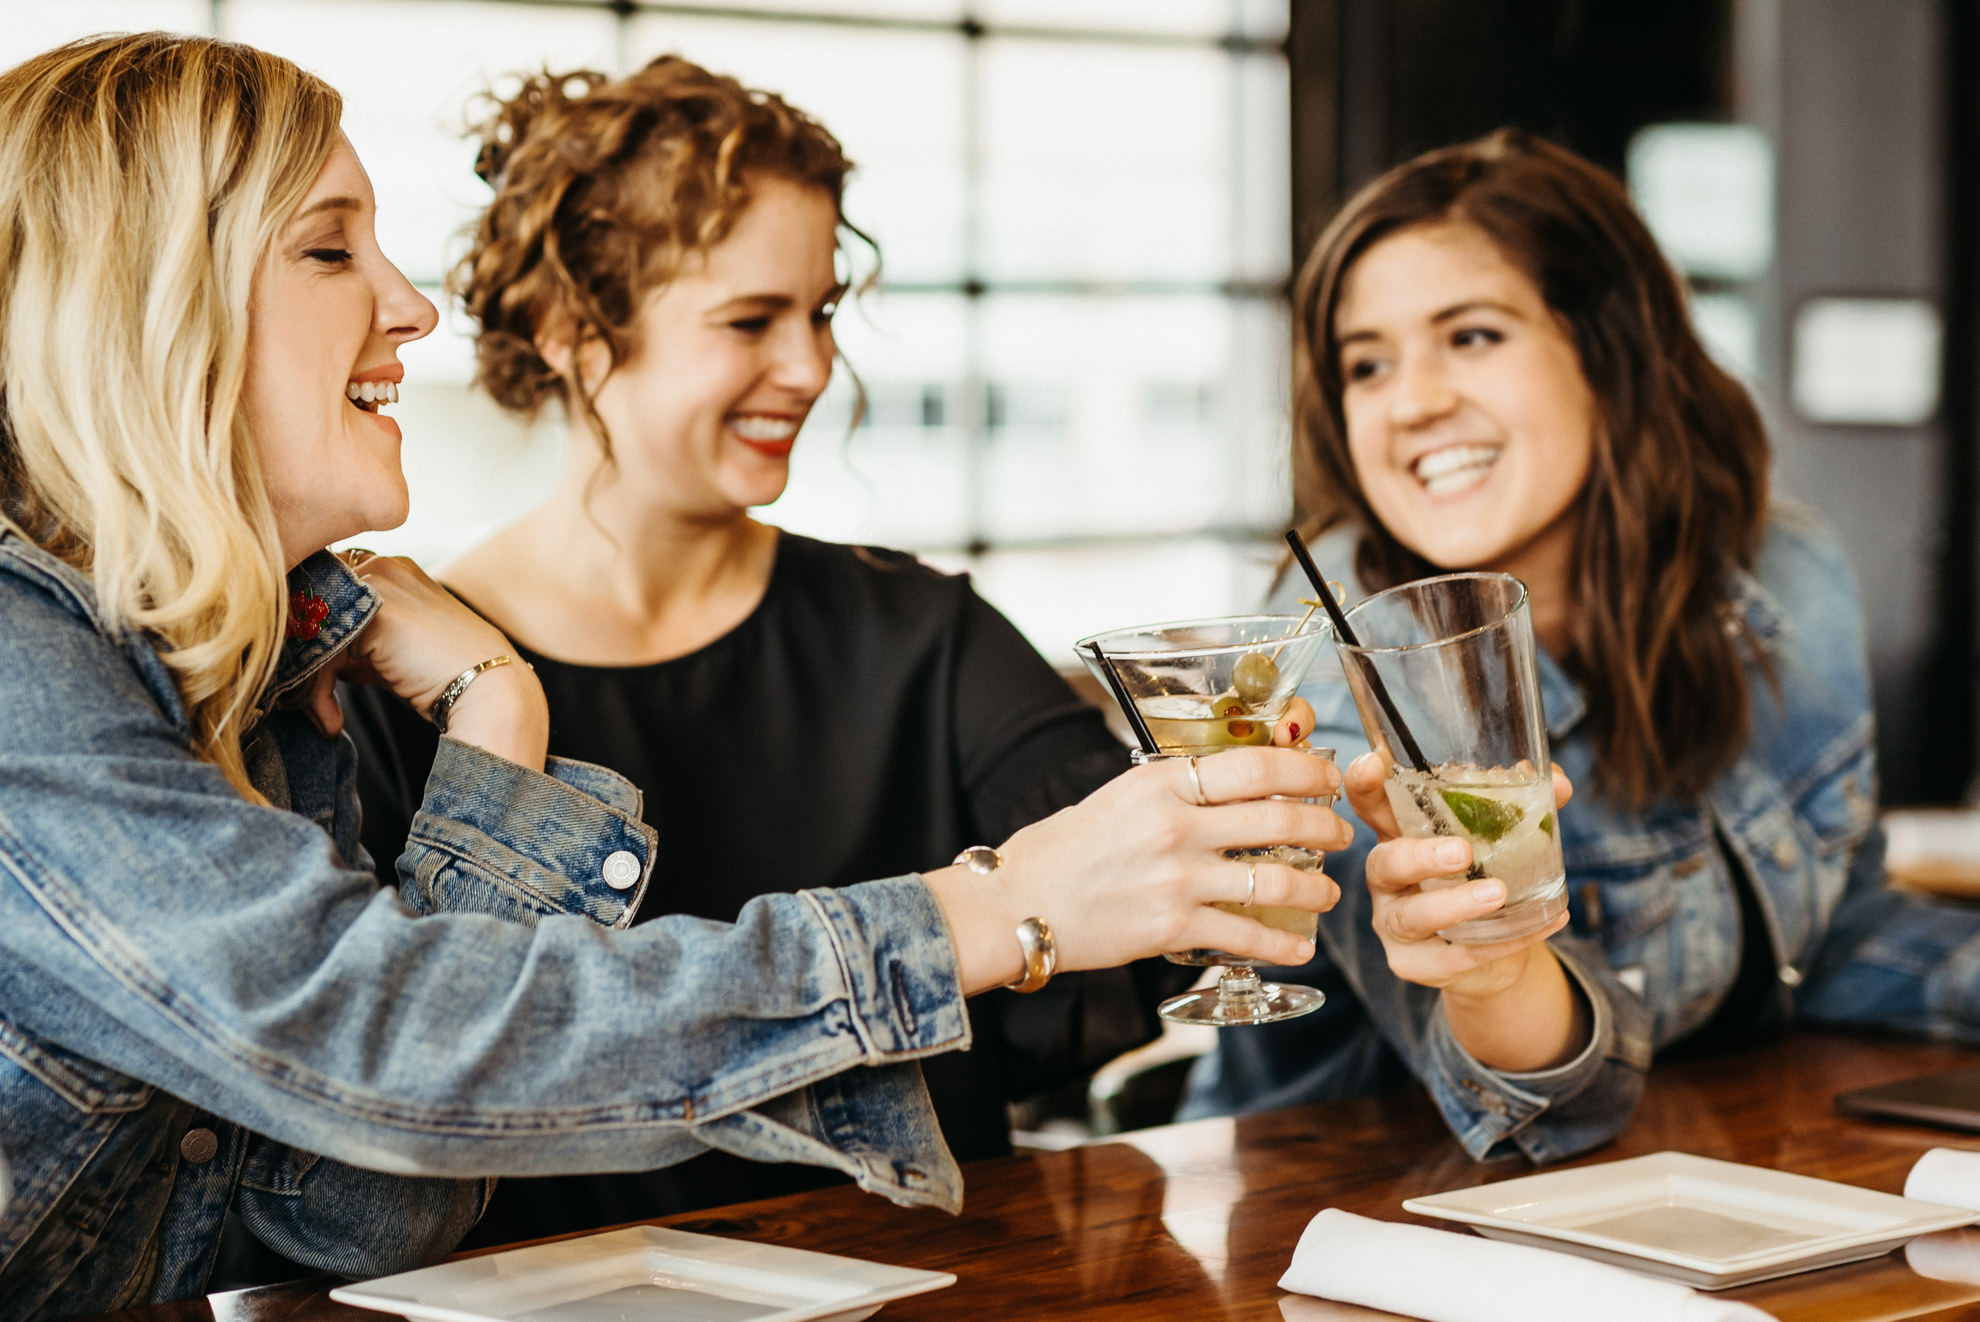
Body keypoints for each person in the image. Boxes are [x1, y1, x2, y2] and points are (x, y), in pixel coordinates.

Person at [0, 33, 1349, 1318]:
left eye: (821, 312)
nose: (411, 308)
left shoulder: (297, 673)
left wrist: (500, 718)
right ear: (143, 304)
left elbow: (364, 1195)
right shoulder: (87, 674)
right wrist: (992, 913)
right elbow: (394, 1059)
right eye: (329, 246)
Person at [337, 55, 1314, 1242]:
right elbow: (407, 1090)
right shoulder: (403, 677)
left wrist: (1223, 836)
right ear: (567, 328)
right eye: (751, 319)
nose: (809, 367)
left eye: (821, 312)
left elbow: (1145, 911)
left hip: (927, 1284)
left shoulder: (918, 632)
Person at [1184, 128, 1980, 1163]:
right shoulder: (1334, 674)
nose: (1414, 400)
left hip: (1712, 1173)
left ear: (1609, 348)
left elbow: (1835, 934)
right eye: (1367, 364)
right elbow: (1528, 1102)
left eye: (1470, 336)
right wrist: (1497, 968)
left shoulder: (1780, 578)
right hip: (1337, 1219)